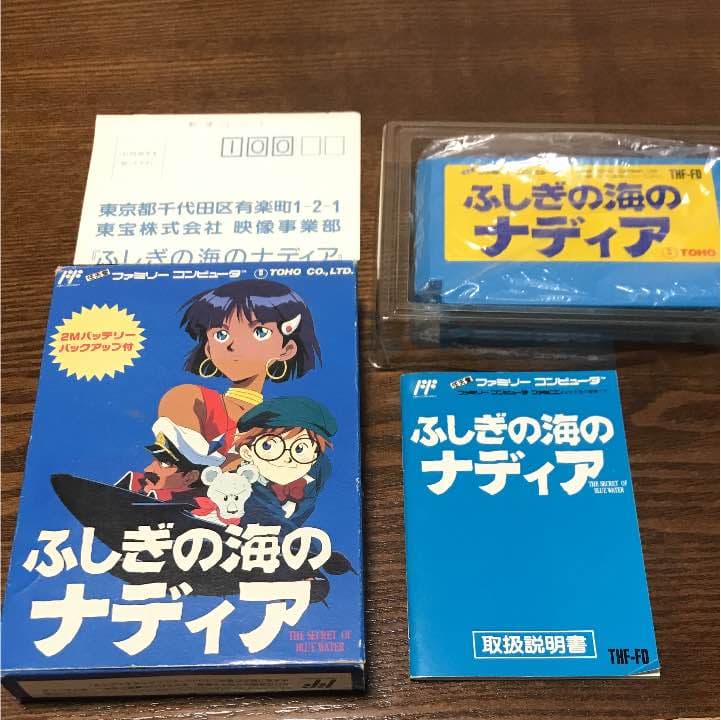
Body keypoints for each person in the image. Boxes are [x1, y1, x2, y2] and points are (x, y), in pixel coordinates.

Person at [157, 279, 321, 463]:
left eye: (260, 332)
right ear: (209, 349)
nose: (235, 345)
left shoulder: (286, 425)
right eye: (221, 335)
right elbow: (184, 465)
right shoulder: (189, 399)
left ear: (287, 350)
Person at [228, 396, 337, 531]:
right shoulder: (233, 487)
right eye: (268, 446)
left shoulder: (315, 484)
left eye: (300, 448)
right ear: (247, 453)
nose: (286, 458)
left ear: (314, 455)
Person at [115, 417, 221, 503]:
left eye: (164, 464)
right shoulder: (133, 485)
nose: (148, 469)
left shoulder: (202, 512)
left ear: (190, 477)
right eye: (154, 461)